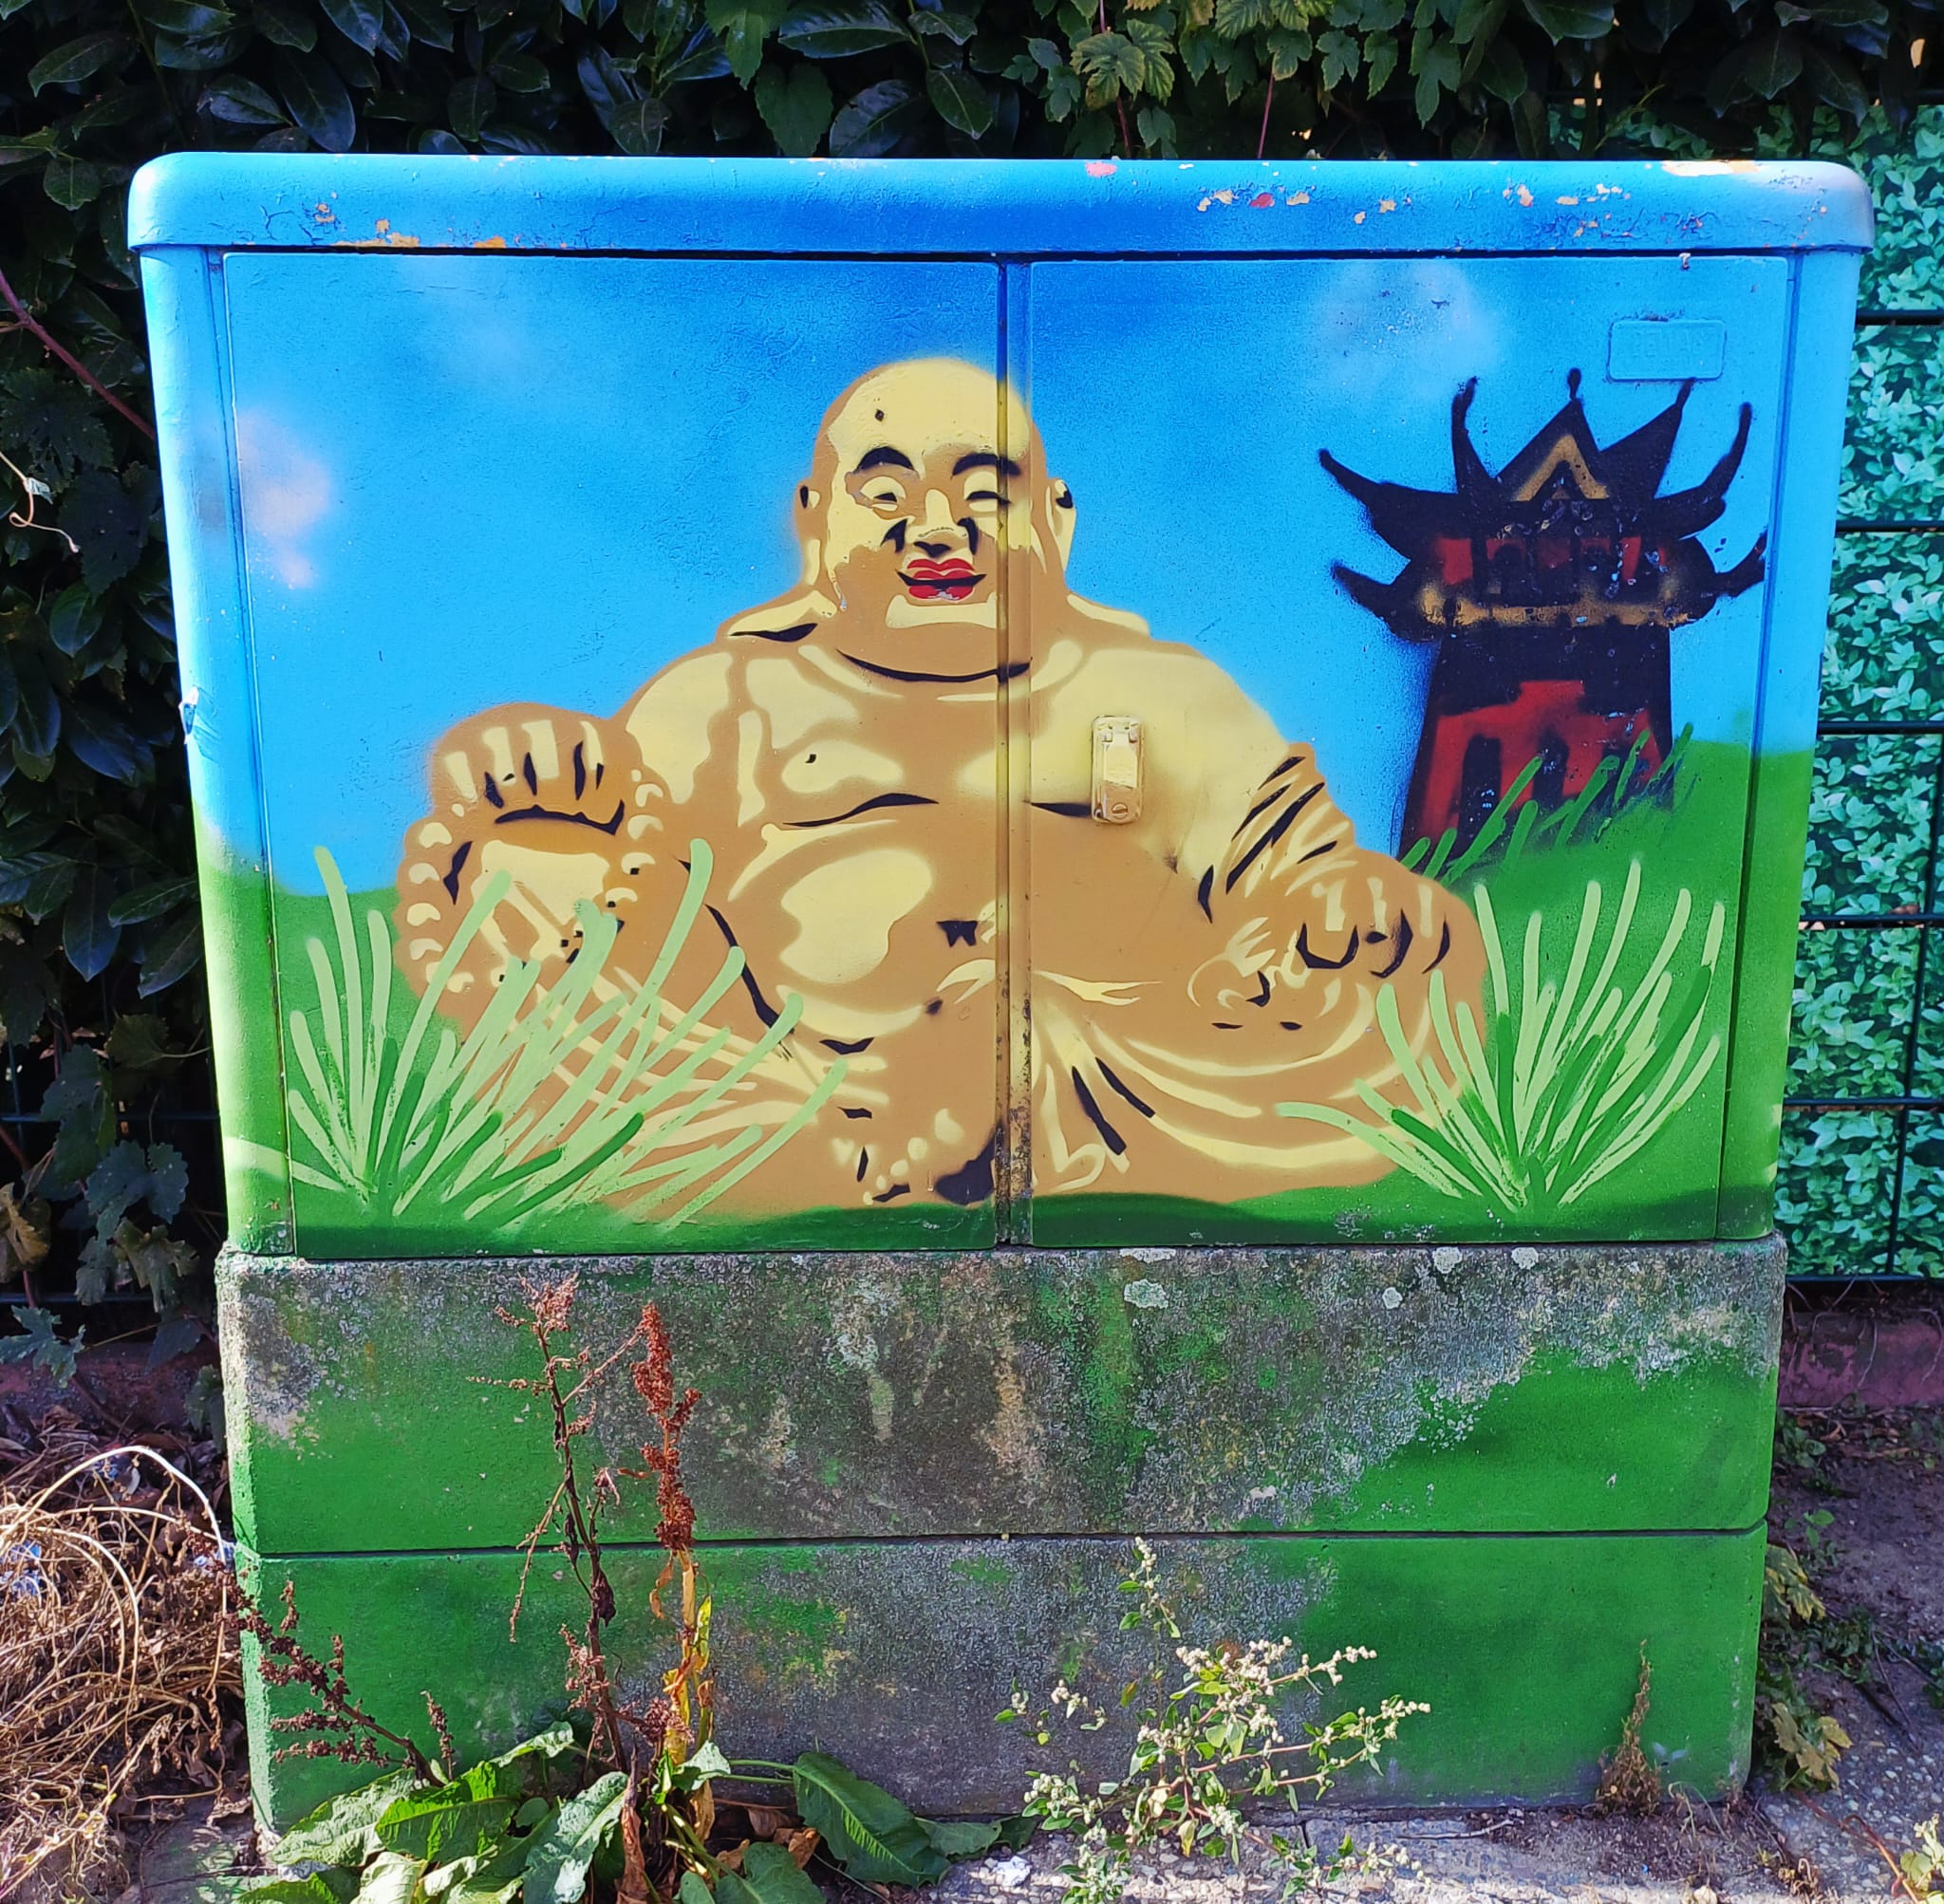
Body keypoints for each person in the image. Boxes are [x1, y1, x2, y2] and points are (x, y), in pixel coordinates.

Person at [394, 358, 1486, 1214]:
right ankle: (863, 1127)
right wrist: (535, 775)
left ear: (1054, 519)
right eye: (885, 490)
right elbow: (628, 861)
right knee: (523, 876)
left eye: (984, 492)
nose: (935, 528)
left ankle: (974, 1102)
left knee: (1401, 966)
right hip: (784, 1070)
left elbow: (1290, 867)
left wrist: (1343, 904)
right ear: (813, 519)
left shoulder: (1156, 689)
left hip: (1123, 1071)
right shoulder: (729, 695)